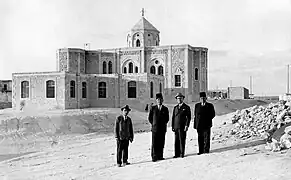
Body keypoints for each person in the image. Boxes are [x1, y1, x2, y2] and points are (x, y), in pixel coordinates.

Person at [148, 93, 169, 162]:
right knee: (154, 143)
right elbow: (150, 118)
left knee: (161, 142)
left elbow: (167, 119)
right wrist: (154, 124)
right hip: (155, 129)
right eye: (158, 99)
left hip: (162, 129)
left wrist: (162, 124)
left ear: (162, 100)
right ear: (156, 100)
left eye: (160, 99)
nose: (159, 101)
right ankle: (154, 156)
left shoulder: (165, 109)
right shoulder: (153, 108)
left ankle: (160, 156)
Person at [172, 92, 191, 158]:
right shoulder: (175, 108)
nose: (179, 100)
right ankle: (176, 154)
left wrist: (186, 125)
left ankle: (181, 153)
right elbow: (173, 118)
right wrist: (173, 126)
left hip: (182, 127)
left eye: (180, 98)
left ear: (183, 99)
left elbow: (188, 117)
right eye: (178, 98)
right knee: (176, 141)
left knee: (182, 140)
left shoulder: (186, 107)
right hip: (176, 126)